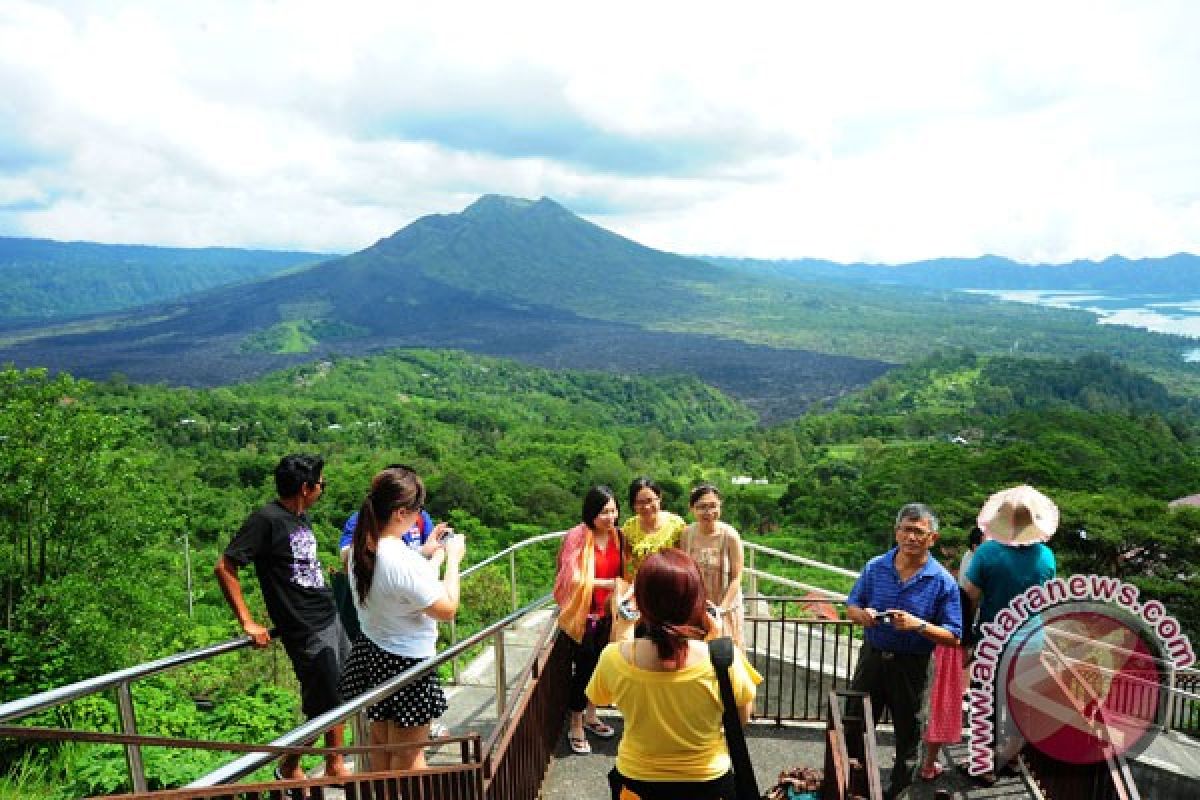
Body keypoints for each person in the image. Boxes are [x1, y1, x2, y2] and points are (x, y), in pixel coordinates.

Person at [214, 454, 350, 781]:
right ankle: (289, 767)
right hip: (303, 626)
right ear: (305, 488)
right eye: (321, 484)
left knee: (341, 693)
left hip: (329, 615)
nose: (323, 489)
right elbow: (225, 567)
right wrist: (247, 621)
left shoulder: (301, 517)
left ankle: (334, 763)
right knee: (325, 705)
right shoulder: (266, 519)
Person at [587, 549, 761, 800]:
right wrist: (718, 638)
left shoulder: (613, 658)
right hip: (707, 781)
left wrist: (623, 625)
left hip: (637, 783)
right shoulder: (724, 658)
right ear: (696, 600)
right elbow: (741, 717)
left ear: (642, 601)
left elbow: (601, 697)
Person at [336, 466, 465, 772]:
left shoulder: (359, 549)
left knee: (381, 746)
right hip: (407, 663)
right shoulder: (401, 558)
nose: (419, 516)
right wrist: (453, 562)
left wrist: (433, 559)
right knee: (409, 757)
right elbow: (446, 609)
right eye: (417, 510)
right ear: (400, 513)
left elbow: (404, 588)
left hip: (373, 652)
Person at [845, 503, 962, 799]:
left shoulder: (942, 581)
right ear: (896, 533)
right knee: (855, 723)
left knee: (908, 735)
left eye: (919, 532)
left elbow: (953, 635)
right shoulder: (875, 568)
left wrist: (918, 625)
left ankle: (898, 792)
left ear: (932, 538)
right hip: (872, 658)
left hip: (913, 665)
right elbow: (852, 606)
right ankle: (854, 787)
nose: (911, 537)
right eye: (906, 530)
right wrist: (864, 615)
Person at [961, 485, 1058, 785]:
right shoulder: (1046, 557)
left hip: (993, 642)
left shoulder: (988, 552)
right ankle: (1011, 759)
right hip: (1031, 643)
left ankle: (984, 766)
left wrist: (967, 639)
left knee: (985, 702)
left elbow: (969, 596)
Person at [553, 486, 624, 754]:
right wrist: (608, 583)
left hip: (610, 615)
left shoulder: (618, 537)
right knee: (583, 670)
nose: (609, 517)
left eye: (613, 511)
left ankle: (592, 715)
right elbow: (570, 578)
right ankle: (576, 724)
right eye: (603, 512)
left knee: (602, 668)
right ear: (591, 512)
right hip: (584, 616)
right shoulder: (578, 536)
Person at [680, 484, 745, 648]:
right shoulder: (687, 534)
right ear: (692, 509)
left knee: (724, 658)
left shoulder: (730, 536)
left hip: (724, 609)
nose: (708, 512)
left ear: (720, 506)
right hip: (696, 609)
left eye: (713, 506)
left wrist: (720, 610)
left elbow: (737, 577)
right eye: (701, 507)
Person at [622, 477, 686, 581]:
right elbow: (625, 561)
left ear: (659, 498)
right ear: (634, 505)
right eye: (640, 502)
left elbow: (684, 559)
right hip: (641, 587)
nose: (646, 507)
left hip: (671, 584)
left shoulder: (676, 525)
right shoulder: (629, 527)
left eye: (650, 500)